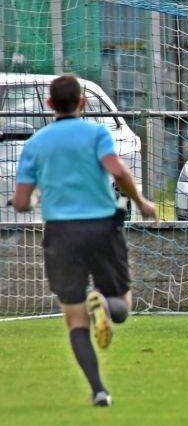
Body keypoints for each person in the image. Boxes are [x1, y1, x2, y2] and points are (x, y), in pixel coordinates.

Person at [12, 74, 158, 406]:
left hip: (61, 234)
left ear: (49, 105)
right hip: (102, 228)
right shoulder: (96, 134)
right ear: (83, 103)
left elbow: (21, 201)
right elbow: (116, 169)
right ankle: (104, 304)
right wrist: (142, 202)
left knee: (75, 318)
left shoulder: (36, 144)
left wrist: (34, 201)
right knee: (122, 306)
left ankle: (99, 391)